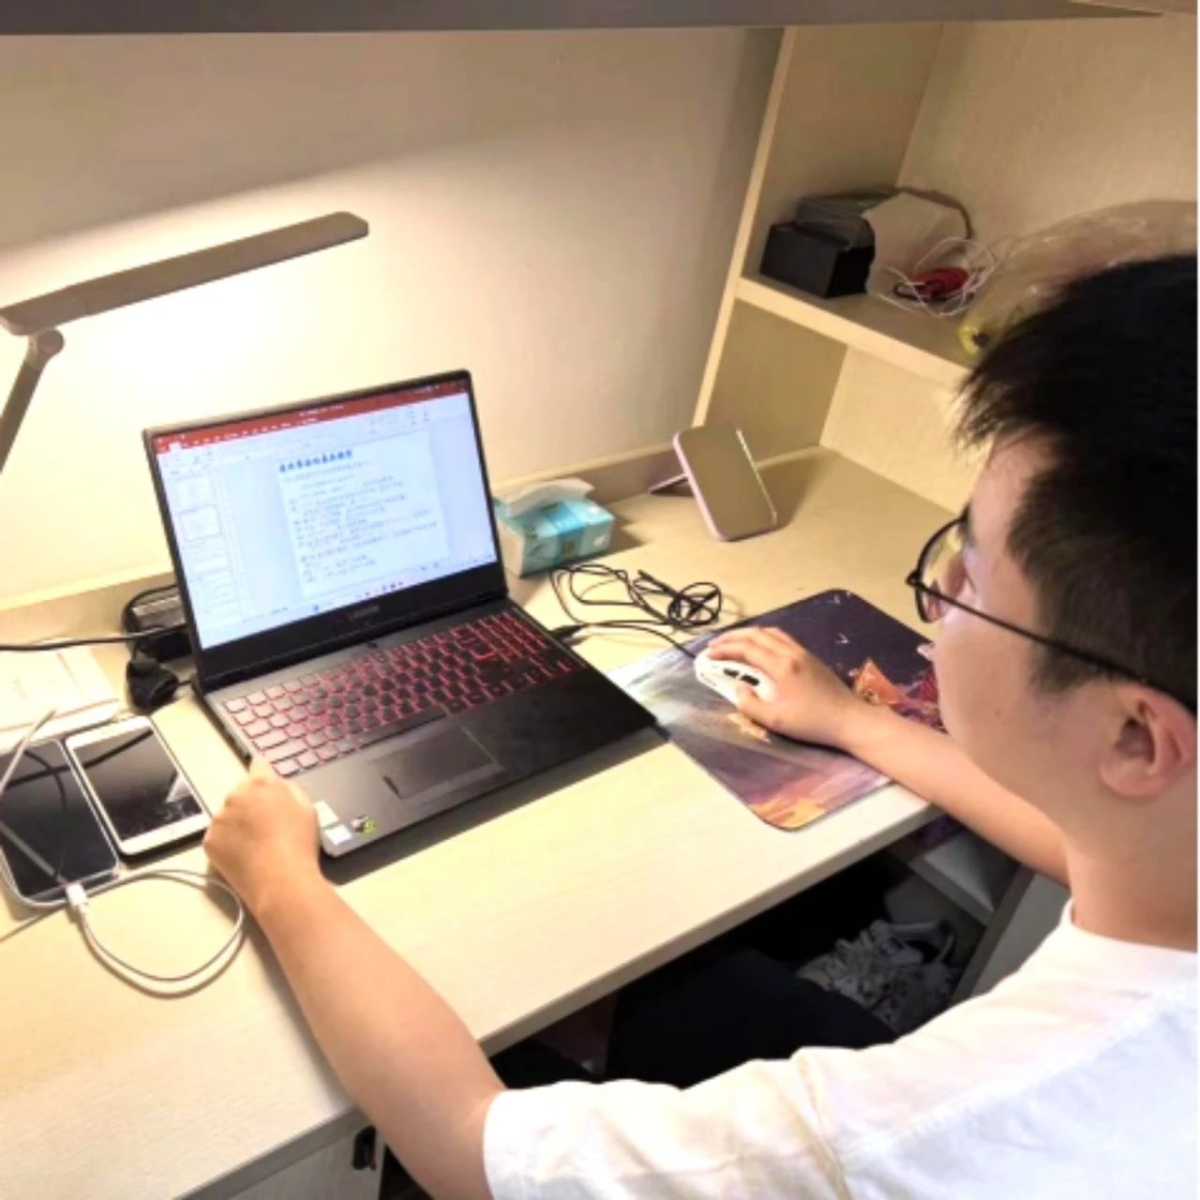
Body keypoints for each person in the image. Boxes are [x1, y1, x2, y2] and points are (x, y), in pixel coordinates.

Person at [205, 255, 1197, 1198]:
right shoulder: (1164, 845)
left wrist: (281, 878)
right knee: (643, 993)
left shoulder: (905, 1134)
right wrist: (854, 722)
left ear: (1135, 739)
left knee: (544, 1016)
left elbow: (468, 1149)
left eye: (970, 572)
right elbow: (1072, 839)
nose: (936, 588)